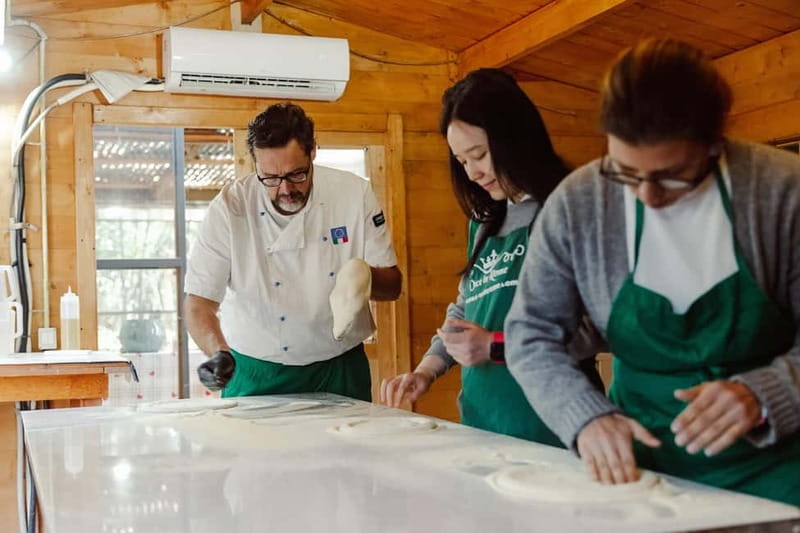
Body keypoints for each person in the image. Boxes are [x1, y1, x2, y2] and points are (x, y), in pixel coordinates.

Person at [505, 38, 800, 504]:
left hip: (777, 469)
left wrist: (769, 392)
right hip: (639, 465)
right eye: (625, 172)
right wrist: (584, 416)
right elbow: (530, 332)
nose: (646, 195)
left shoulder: (783, 192)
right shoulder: (580, 202)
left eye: (671, 176)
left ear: (714, 144)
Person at [380, 68, 603, 444]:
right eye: (462, 161)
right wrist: (426, 371)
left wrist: (495, 345)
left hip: (552, 428)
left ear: (514, 137)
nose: (472, 173)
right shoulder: (483, 221)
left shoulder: (568, 207)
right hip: (483, 423)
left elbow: (597, 327)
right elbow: (467, 308)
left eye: (479, 155)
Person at [185, 103, 401, 401]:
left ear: (313, 152)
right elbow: (199, 302)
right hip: (255, 369)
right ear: (256, 165)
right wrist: (217, 352)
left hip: (339, 366)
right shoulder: (230, 208)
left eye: (297, 174)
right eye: (270, 178)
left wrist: (363, 277)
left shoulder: (352, 193)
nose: (285, 189)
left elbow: (393, 286)